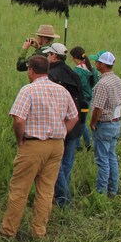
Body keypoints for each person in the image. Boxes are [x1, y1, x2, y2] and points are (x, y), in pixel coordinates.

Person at [0, 56, 78, 240]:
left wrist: (20, 139)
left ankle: (8, 231)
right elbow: (73, 117)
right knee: (46, 190)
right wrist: (62, 133)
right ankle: (39, 231)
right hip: (56, 145)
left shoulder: (28, 90)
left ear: (31, 70)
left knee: (20, 189)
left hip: (33, 144)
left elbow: (18, 119)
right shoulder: (61, 90)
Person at [45, 43, 86, 208]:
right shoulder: (73, 73)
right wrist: (81, 123)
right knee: (67, 163)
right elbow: (82, 100)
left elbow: (50, 105)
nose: (47, 57)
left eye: (49, 55)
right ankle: (65, 192)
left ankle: (63, 200)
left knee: (56, 166)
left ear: (54, 56)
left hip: (60, 126)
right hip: (75, 123)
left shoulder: (51, 75)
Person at [89, 51, 121, 197]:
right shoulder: (117, 79)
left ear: (102, 64)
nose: (95, 64)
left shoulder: (102, 84)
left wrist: (92, 123)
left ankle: (101, 192)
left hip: (104, 124)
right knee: (111, 157)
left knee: (102, 160)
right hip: (116, 122)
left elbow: (98, 107)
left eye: (97, 62)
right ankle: (113, 190)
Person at [69, 47, 99, 151]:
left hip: (80, 101)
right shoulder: (92, 68)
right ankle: (81, 145)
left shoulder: (76, 71)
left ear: (73, 57)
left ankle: (85, 144)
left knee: (80, 123)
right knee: (82, 121)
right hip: (88, 100)